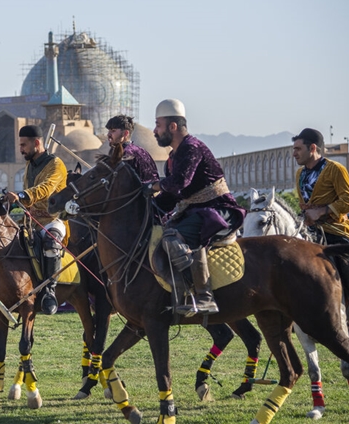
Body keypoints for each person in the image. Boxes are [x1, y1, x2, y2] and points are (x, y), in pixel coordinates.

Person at [149, 99, 245, 317]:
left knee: (175, 237)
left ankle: (204, 297)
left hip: (219, 211)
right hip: (197, 211)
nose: (155, 130)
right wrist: (147, 205)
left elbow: (179, 183)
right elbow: (171, 197)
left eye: (158, 124)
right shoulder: (174, 156)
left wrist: (154, 186)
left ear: (172, 126)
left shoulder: (191, 148)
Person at [292, 127, 349, 336]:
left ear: (313, 148)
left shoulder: (335, 169)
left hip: (336, 230)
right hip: (311, 232)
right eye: (294, 149)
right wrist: (306, 215)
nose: (294, 153)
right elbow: (305, 203)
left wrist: (324, 211)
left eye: (298, 148)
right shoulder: (300, 173)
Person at [4, 124, 68, 315]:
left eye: (23, 145)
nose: (21, 149)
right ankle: (5, 294)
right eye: (20, 145)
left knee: (50, 241)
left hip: (54, 220)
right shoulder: (29, 165)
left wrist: (22, 195)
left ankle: (49, 291)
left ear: (37, 143)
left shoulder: (56, 164)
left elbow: (46, 188)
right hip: (30, 222)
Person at [105, 115, 160, 186]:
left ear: (125, 133)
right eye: (109, 131)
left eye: (113, 131)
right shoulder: (142, 151)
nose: (108, 134)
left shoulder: (126, 154)